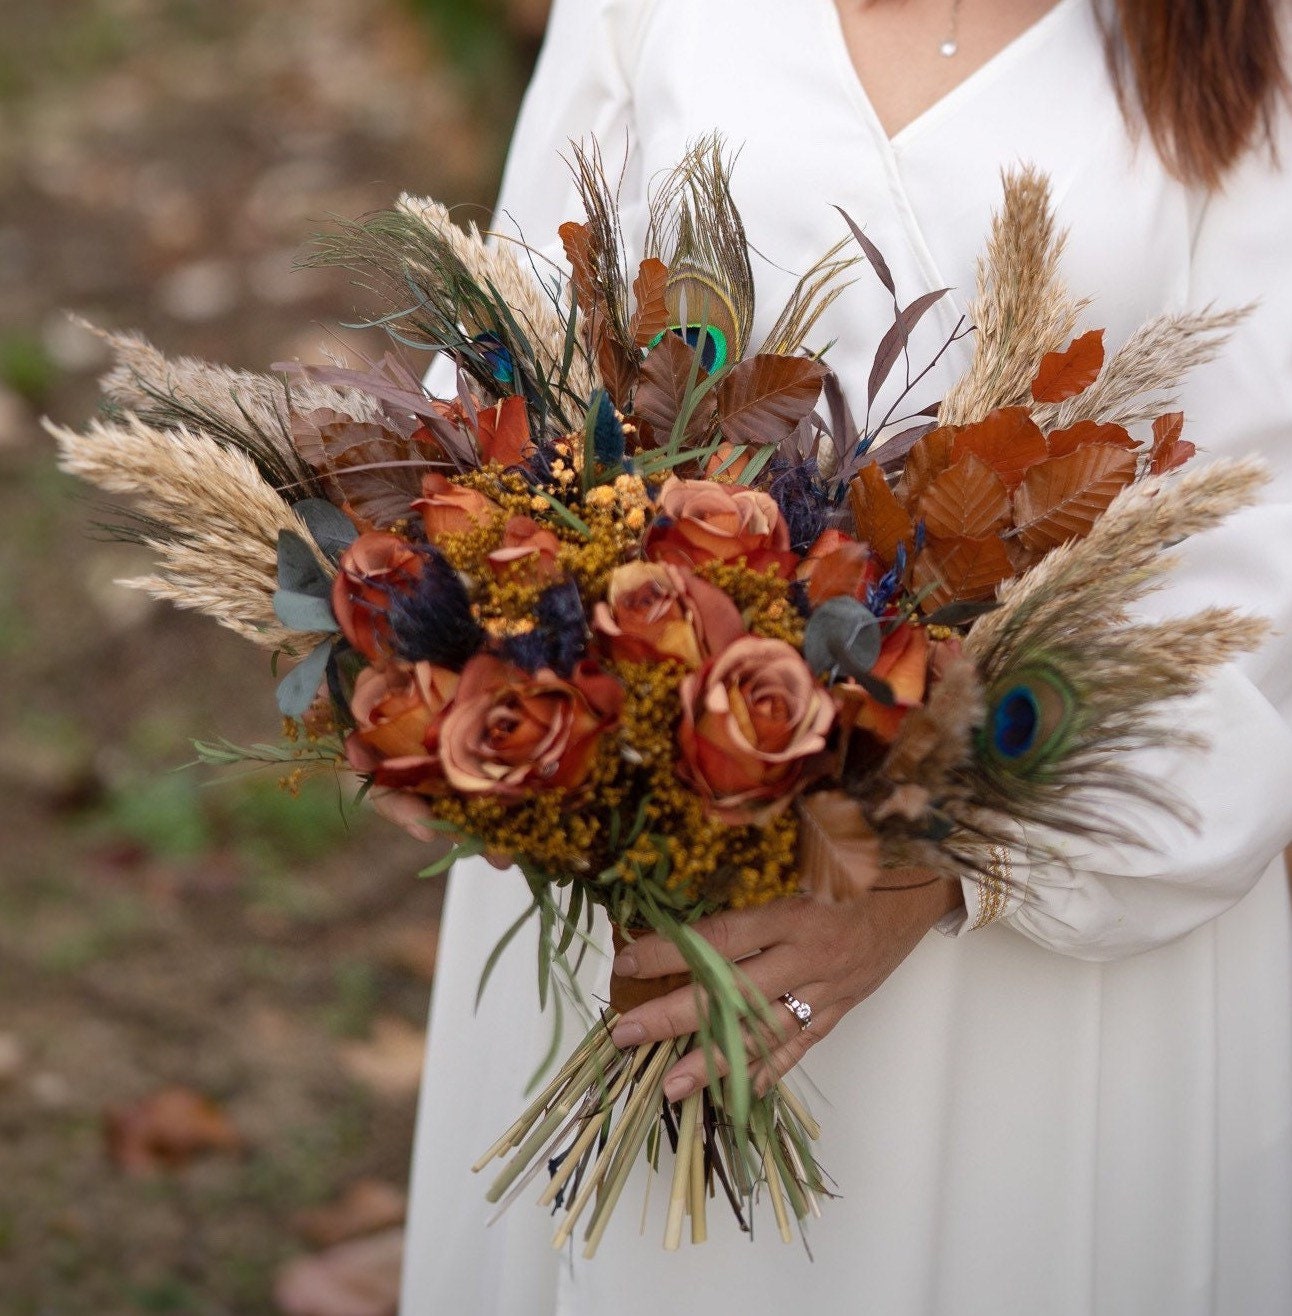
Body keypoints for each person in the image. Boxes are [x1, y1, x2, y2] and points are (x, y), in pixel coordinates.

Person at [398, 2, 1292, 1312]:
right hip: (649, 843)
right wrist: (516, 689)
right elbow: (512, 348)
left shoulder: (1244, 40)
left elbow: (1255, 541)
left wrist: (929, 880)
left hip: (1034, 911)